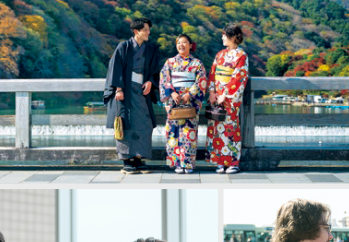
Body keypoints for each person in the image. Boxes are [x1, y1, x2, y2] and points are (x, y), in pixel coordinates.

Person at [104, 17, 162, 175]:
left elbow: (155, 70)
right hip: (126, 91)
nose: (148, 32)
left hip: (142, 91)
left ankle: (139, 158)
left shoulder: (150, 49)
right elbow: (115, 68)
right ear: (137, 31)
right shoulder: (124, 46)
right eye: (145, 30)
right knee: (125, 122)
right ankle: (126, 160)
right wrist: (118, 89)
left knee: (144, 123)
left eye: (149, 30)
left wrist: (150, 81)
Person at [159, 34, 209, 174]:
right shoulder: (169, 62)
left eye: (184, 42)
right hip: (173, 101)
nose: (181, 45)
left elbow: (201, 81)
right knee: (173, 133)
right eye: (179, 43)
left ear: (190, 45)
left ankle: (188, 164)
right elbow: (164, 80)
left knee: (189, 133)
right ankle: (176, 164)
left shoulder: (197, 64)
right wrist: (173, 93)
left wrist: (189, 94)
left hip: (190, 101)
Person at [207, 24, 249, 174]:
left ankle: (233, 162)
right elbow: (212, 74)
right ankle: (219, 161)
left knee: (230, 128)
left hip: (230, 97)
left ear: (233, 37)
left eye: (225, 35)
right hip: (217, 95)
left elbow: (239, 76)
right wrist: (212, 92)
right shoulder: (220, 55)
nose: (222, 37)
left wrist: (225, 94)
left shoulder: (241, 55)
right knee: (216, 128)